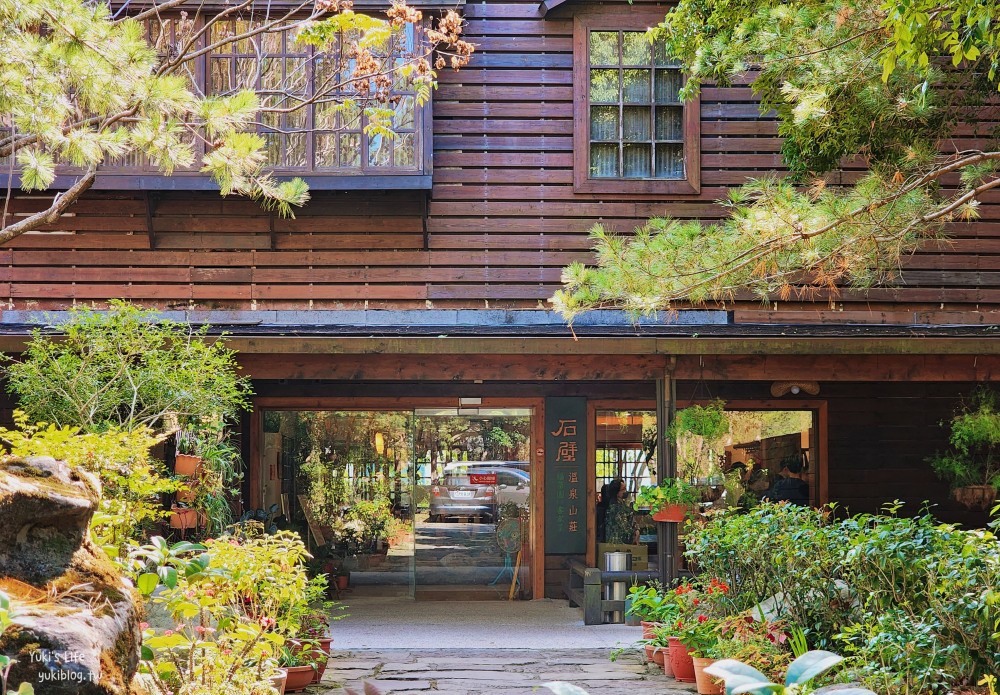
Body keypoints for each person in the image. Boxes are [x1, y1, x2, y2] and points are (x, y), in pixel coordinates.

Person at [598, 478, 638, 544]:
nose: (625, 491)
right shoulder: (616, 509)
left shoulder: (621, 505)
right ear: (616, 492)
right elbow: (626, 530)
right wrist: (635, 531)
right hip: (618, 544)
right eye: (623, 489)